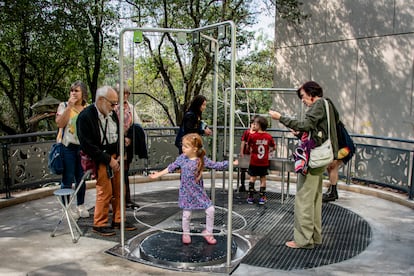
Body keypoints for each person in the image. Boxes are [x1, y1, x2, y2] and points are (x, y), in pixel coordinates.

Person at [269, 80, 339, 249]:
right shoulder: (328, 105)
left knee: (304, 199)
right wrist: (301, 133)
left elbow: (307, 124)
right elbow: (317, 130)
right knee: (314, 199)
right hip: (322, 158)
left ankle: (303, 240)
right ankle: (314, 236)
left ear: (311, 93)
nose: (303, 100)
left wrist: (281, 118)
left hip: (313, 160)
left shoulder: (319, 104)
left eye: (303, 96)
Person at [149, 133, 238, 245]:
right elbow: (170, 167)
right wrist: (157, 175)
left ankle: (208, 232)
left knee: (210, 210)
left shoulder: (201, 159)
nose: (183, 148)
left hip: (198, 192)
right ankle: (186, 233)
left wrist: (232, 163)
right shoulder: (182, 158)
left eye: (186, 146)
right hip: (186, 192)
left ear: (195, 149)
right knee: (187, 214)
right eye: (183, 146)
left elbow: (216, 165)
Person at [77, 85, 137, 236]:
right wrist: (108, 159)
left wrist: (120, 151)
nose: (114, 107)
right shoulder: (85, 117)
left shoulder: (111, 114)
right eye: (112, 103)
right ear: (101, 100)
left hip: (114, 155)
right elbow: (87, 145)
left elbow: (116, 134)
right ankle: (100, 223)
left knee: (119, 189)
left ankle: (118, 220)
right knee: (105, 191)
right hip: (100, 157)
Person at [55, 81, 89, 219]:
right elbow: (60, 123)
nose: (74, 93)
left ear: (83, 93)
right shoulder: (63, 105)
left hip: (82, 148)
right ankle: (67, 207)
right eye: (72, 90)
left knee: (81, 178)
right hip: (67, 147)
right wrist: (69, 107)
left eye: (77, 91)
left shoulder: (87, 108)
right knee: (68, 177)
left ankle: (80, 205)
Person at [114, 84, 141, 209]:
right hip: (115, 143)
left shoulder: (130, 107)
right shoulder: (113, 107)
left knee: (125, 171)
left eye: (127, 93)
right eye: (123, 93)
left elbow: (137, 124)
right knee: (116, 173)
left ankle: (127, 199)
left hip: (128, 143)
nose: (125, 96)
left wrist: (130, 137)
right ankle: (116, 200)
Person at [246, 116, 276, 205]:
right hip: (264, 162)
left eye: (255, 124)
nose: (254, 125)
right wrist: (269, 150)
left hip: (254, 161)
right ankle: (262, 197)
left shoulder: (252, 136)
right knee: (263, 179)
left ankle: (250, 197)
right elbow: (273, 147)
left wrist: (251, 150)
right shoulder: (268, 136)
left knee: (252, 178)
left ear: (259, 125)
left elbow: (248, 147)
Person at [238, 116, 258, 192]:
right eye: (253, 124)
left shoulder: (257, 133)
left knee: (253, 171)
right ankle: (242, 185)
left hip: (254, 154)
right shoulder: (247, 132)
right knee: (243, 169)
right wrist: (241, 152)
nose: (254, 126)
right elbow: (243, 142)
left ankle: (252, 186)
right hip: (246, 153)